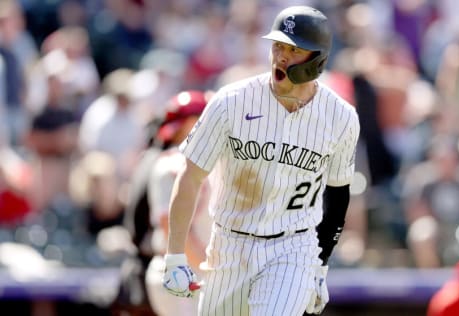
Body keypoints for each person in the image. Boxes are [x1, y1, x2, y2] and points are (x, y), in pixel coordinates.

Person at [148, 6, 360, 316]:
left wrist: (321, 264)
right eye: (277, 45)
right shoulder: (231, 101)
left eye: (294, 49)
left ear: (318, 59)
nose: (281, 56)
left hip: (292, 247)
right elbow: (190, 176)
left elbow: (338, 195)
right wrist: (175, 255)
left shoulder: (341, 117)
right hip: (229, 244)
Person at [112, 90, 211, 316]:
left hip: (168, 267)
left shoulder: (156, 157)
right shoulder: (173, 163)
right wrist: (209, 271)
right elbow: (172, 228)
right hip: (180, 269)